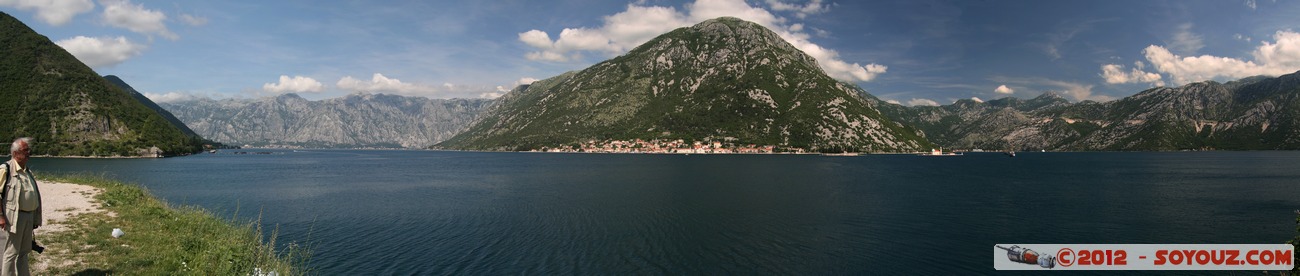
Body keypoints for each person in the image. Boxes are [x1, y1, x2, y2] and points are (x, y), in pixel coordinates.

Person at [0, 138, 40, 276]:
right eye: (25, 150)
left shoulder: (26, 171)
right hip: (15, 217)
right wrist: (1, 217)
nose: (29, 153)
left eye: (28, 150)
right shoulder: (5, 169)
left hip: (28, 216)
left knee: (24, 252)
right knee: (11, 253)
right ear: (16, 153)